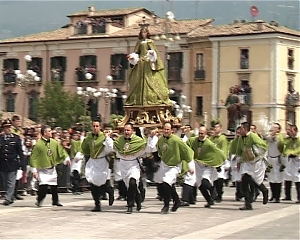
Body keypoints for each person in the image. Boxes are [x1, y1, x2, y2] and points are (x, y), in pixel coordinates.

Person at [125, 27, 171, 106]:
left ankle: (151, 97)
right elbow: (136, 52)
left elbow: (154, 51)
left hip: (148, 62)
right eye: (142, 32)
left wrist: (152, 54)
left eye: (145, 32)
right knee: (138, 80)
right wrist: (133, 57)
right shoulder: (139, 42)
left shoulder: (151, 42)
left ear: (147, 33)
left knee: (149, 79)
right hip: (140, 63)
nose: (144, 34)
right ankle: (138, 98)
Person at [155, 123, 194, 214]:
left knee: (166, 183)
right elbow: (159, 151)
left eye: (168, 129)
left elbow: (187, 151)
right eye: (164, 129)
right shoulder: (161, 140)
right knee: (167, 184)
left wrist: (190, 166)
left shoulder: (177, 140)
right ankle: (176, 201)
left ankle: (166, 205)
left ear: (172, 130)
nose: (166, 131)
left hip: (174, 166)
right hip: (164, 164)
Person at [30, 125, 71, 207]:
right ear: (44, 133)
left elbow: (61, 151)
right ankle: (39, 200)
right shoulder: (38, 145)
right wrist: (34, 171)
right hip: (43, 169)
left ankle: (55, 201)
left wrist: (66, 158)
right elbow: (33, 158)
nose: (51, 132)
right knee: (43, 187)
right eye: (49, 131)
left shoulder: (54, 142)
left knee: (54, 186)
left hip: (52, 168)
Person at [79, 119, 114, 212]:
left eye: (97, 126)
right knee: (92, 182)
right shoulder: (89, 136)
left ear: (100, 127)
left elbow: (110, 148)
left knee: (102, 182)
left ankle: (109, 191)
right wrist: (79, 155)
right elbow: (84, 147)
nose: (95, 128)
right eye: (94, 126)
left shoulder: (104, 136)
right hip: (92, 161)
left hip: (102, 162)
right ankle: (97, 204)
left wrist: (107, 138)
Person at [187, 126, 226, 208]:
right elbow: (187, 146)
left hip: (207, 165)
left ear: (205, 134)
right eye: (199, 133)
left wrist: (219, 164)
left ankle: (213, 191)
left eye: (202, 133)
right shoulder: (193, 140)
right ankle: (209, 200)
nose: (200, 135)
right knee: (200, 185)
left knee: (205, 181)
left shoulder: (209, 143)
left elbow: (217, 152)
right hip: (197, 164)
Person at [113, 123, 147, 214]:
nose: (126, 132)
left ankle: (130, 205)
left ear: (132, 131)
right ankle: (138, 199)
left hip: (133, 165)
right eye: (125, 130)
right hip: (123, 165)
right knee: (130, 186)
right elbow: (115, 147)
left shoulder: (138, 140)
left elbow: (144, 146)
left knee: (133, 182)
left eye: (128, 130)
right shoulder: (120, 140)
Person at [236, 122, 269, 210]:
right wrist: (238, 161)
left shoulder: (253, 136)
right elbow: (239, 150)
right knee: (244, 181)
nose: (239, 131)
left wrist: (254, 151)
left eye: (241, 129)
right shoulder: (240, 138)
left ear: (246, 129)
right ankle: (248, 203)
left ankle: (263, 190)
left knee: (254, 179)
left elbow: (263, 146)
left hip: (256, 161)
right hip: (246, 162)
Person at [0, 119, 25, 205]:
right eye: (6, 127)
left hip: (12, 163)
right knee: (5, 181)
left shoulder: (16, 138)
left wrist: (23, 164)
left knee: (11, 182)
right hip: (3, 163)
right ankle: (10, 197)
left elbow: (20, 152)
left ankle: (8, 198)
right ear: (3, 129)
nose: (8, 129)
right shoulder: (1, 138)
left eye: (9, 127)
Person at [279, 124, 300, 204]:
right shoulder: (289, 139)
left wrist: (293, 152)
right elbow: (284, 147)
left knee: (298, 178)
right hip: (290, 160)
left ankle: (299, 197)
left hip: (298, 160)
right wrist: (282, 136)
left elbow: (298, 149)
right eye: (288, 131)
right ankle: (287, 195)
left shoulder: (298, 139)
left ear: (295, 131)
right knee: (288, 176)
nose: (289, 132)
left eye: (291, 131)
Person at [265, 123, 284, 203]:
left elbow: (280, 143)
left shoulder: (280, 137)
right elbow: (267, 139)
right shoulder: (269, 136)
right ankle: (273, 195)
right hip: (270, 158)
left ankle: (277, 196)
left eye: (276, 128)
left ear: (279, 129)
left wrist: (275, 136)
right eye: (273, 127)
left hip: (278, 159)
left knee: (278, 178)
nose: (274, 129)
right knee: (271, 177)